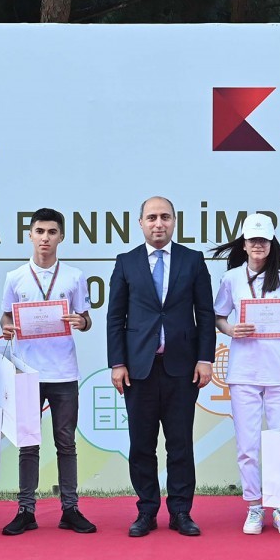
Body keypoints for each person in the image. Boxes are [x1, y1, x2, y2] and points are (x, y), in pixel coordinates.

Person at [107, 196, 215, 537]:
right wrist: (117, 363)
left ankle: (181, 512)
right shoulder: (126, 262)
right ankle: (147, 511)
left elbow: (205, 313)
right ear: (140, 223)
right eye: (152, 217)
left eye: (165, 217)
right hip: (138, 369)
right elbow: (115, 317)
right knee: (141, 444)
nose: (158, 223)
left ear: (174, 222)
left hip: (182, 368)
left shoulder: (192, 260)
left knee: (180, 443)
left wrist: (205, 358)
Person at [0, 208, 97, 536]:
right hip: (27, 372)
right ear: (30, 235)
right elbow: (5, 317)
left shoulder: (74, 277)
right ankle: (26, 510)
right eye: (39, 231)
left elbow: (86, 319)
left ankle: (70, 508)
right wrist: (7, 328)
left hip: (64, 373)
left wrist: (81, 321)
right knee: (28, 444)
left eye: (52, 232)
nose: (45, 238)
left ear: (61, 237)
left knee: (66, 443)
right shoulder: (15, 277)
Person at [211, 213, 280, 535]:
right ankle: (253, 506)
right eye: (252, 240)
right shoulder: (232, 279)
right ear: (244, 243)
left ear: (271, 243)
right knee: (247, 446)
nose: (258, 245)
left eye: (263, 240)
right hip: (244, 374)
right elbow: (218, 316)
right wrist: (231, 330)